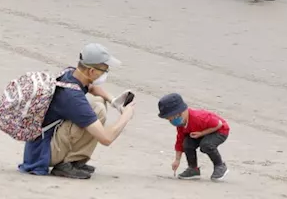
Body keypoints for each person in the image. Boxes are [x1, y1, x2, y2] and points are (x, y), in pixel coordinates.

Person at [19, 43, 135, 180]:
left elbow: (91, 87)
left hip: (40, 145)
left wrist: (114, 101)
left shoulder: (71, 74)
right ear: (91, 71)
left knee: (99, 102)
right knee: (97, 110)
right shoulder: (72, 97)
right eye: (104, 71)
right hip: (43, 154)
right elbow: (106, 138)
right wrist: (126, 115)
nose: (105, 74)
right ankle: (67, 163)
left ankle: (75, 160)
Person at [158, 93, 230, 181]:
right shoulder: (181, 124)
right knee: (187, 143)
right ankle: (193, 169)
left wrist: (202, 133)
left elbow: (218, 124)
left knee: (206, 145)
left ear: (182, 112)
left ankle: (220, 165)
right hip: (199, 132)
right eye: (169, 120)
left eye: (173, 118)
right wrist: (177, 160)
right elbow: (180, 141)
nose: (172, 121)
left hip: (219, 131)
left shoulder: (198, 117)